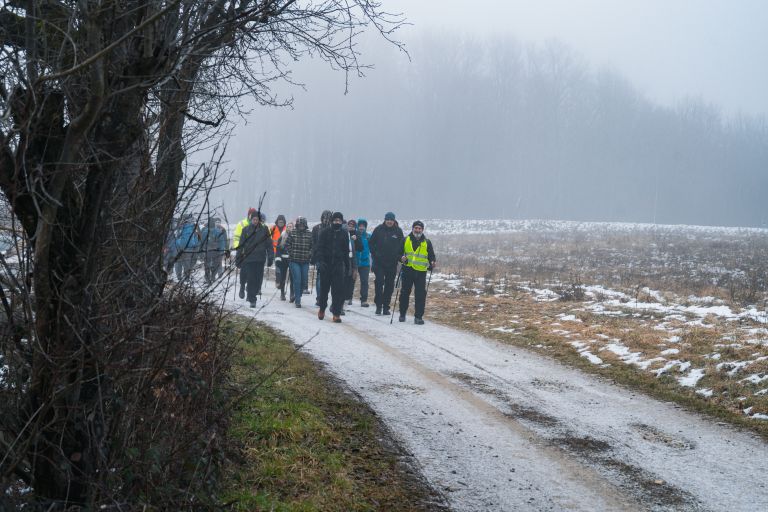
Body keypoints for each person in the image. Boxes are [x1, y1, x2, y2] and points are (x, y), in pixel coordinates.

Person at [315, 212, 361, 322]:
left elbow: (346, 251)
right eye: (335, 220)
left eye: (339, 221)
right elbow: (319, 248)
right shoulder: (324, 232)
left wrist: (347, 266)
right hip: (326, 265)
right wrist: (320, 262)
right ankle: (322, 308)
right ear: (332, 221)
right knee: (324, 290)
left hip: (338, 266)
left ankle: (336, 313)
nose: (337, 222)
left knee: (338, 291)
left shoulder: (344, 234)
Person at [397, 221, 437, 325]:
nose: (417, 230)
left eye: (419, 228)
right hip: (407, 270)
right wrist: (401, 258)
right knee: (405, 293)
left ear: (422, 230)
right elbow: (398, 254)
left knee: (420, 295)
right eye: (416, 228)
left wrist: (432, 262)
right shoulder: (405, 240)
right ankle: (402, 314)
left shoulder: (427, 242)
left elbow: (431, 255)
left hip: (421, 272)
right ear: (412, 229)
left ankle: (418, 317)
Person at [368, 211, 404, 316]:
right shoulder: (378, 229)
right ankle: (378, 306)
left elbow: (402, 246)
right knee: (379, 283)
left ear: (394, 221)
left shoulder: (398, 231)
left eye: (391, 220)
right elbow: (371, 243)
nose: (389, 222)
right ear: (385, 220)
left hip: (392, 263)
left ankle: (386, 307)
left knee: (389, 286)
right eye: (387, 219)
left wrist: (400, 257)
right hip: (379, 263)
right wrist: (375, 253)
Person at [236, 210, 273, 308]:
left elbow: (269, 244)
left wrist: (270, 256)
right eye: (254, 219)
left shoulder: (264, 229)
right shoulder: (246, 230)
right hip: (249, 259)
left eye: (257, 219)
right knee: (251, 278)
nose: (255, 221)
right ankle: (252, 299)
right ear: (251, 220)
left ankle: (252, 293)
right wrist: (238, 258)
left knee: (258, 279)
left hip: (260, 259)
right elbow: (241, 245)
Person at [285, 217, 312, 308]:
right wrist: (291, 253)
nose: (301, 226)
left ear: (305, 225)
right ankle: (297, 301)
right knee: (297, 279)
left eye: (302, 225)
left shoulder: (309, 234)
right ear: (297, 225)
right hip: (294, 260)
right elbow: (287, 244)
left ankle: (298, 295)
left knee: (304, 281)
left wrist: (310, 253)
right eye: (299, 225)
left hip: (305, 261)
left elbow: (313, 246)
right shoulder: (292, 233)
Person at [233, 207, 257, 298]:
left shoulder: (259, 225)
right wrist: (239, 249)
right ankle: (242, 286)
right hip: (244, 253)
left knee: (252, 273)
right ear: (248, 215)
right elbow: (236, 238)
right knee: (244, 272)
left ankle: (249, 286)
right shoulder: (242, 224)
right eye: (251, 214)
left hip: (255, 254)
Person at [311, 210, 333, 304]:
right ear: (322, 218)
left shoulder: (333, 229)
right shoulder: (316, 228)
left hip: (331, 256)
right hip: (319, 255)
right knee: (320, 277)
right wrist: (313, 254)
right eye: (325, 218)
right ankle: (319, 298)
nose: (326, 220)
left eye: (328, 218)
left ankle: (324, 296)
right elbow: (312, 242)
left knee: (328, 278)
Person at [200, 217, 229, 284]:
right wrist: (222, 251)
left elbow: (201, 242)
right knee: (216, 265)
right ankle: (212, 276)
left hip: (207, 251)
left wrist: (201, 251)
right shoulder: (219, 231)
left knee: (207, 265)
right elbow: (222, 242)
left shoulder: (204, 231)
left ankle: (208, 278)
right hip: (216, 251)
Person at [174, 215, 201, 281]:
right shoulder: (180, 226)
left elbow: (197, 237)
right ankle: (183, 278)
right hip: (184, 248)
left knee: (183, 262)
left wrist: (196, 245)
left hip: (185, 248)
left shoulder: (193, 226)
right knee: (183, 263)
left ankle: (183, 278)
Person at [271, 215, 289, 299]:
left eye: (282, 222)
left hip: (283, 251)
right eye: (279, 222)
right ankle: (278, 281)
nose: (280, 223)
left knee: (281, 270)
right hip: (275, 250)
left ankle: (279, 282)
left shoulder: (287, 228)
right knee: (278, 267)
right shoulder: (273, 228)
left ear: (284, 222)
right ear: (277, 222)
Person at [355, 218, 371, 307]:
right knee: (351, 281)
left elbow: (373, 247)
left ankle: (364, 300)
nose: (361, 227)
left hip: (365, 263)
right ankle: (348, 297)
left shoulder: (368, 237)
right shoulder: (354, 236)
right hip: (355, 262)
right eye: (360, 226)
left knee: (364, 281)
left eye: (363, 226)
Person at [344, 219, 358, 308]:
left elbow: (353, 255)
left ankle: (344, 302)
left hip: (349, 265)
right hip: (339, 265)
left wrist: (355, 268)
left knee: (348, 284)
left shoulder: (351, 240)